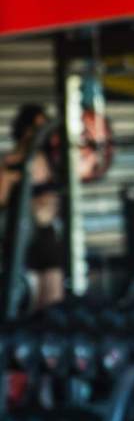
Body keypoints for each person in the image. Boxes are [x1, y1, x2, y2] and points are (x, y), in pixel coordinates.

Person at [0, 103, 64, 309]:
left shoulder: (48, 161)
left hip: (45, 236)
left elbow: (54, 200)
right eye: (35, 128)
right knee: (29, 296)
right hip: (19, 235)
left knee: (53, 294)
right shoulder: (9, 162)